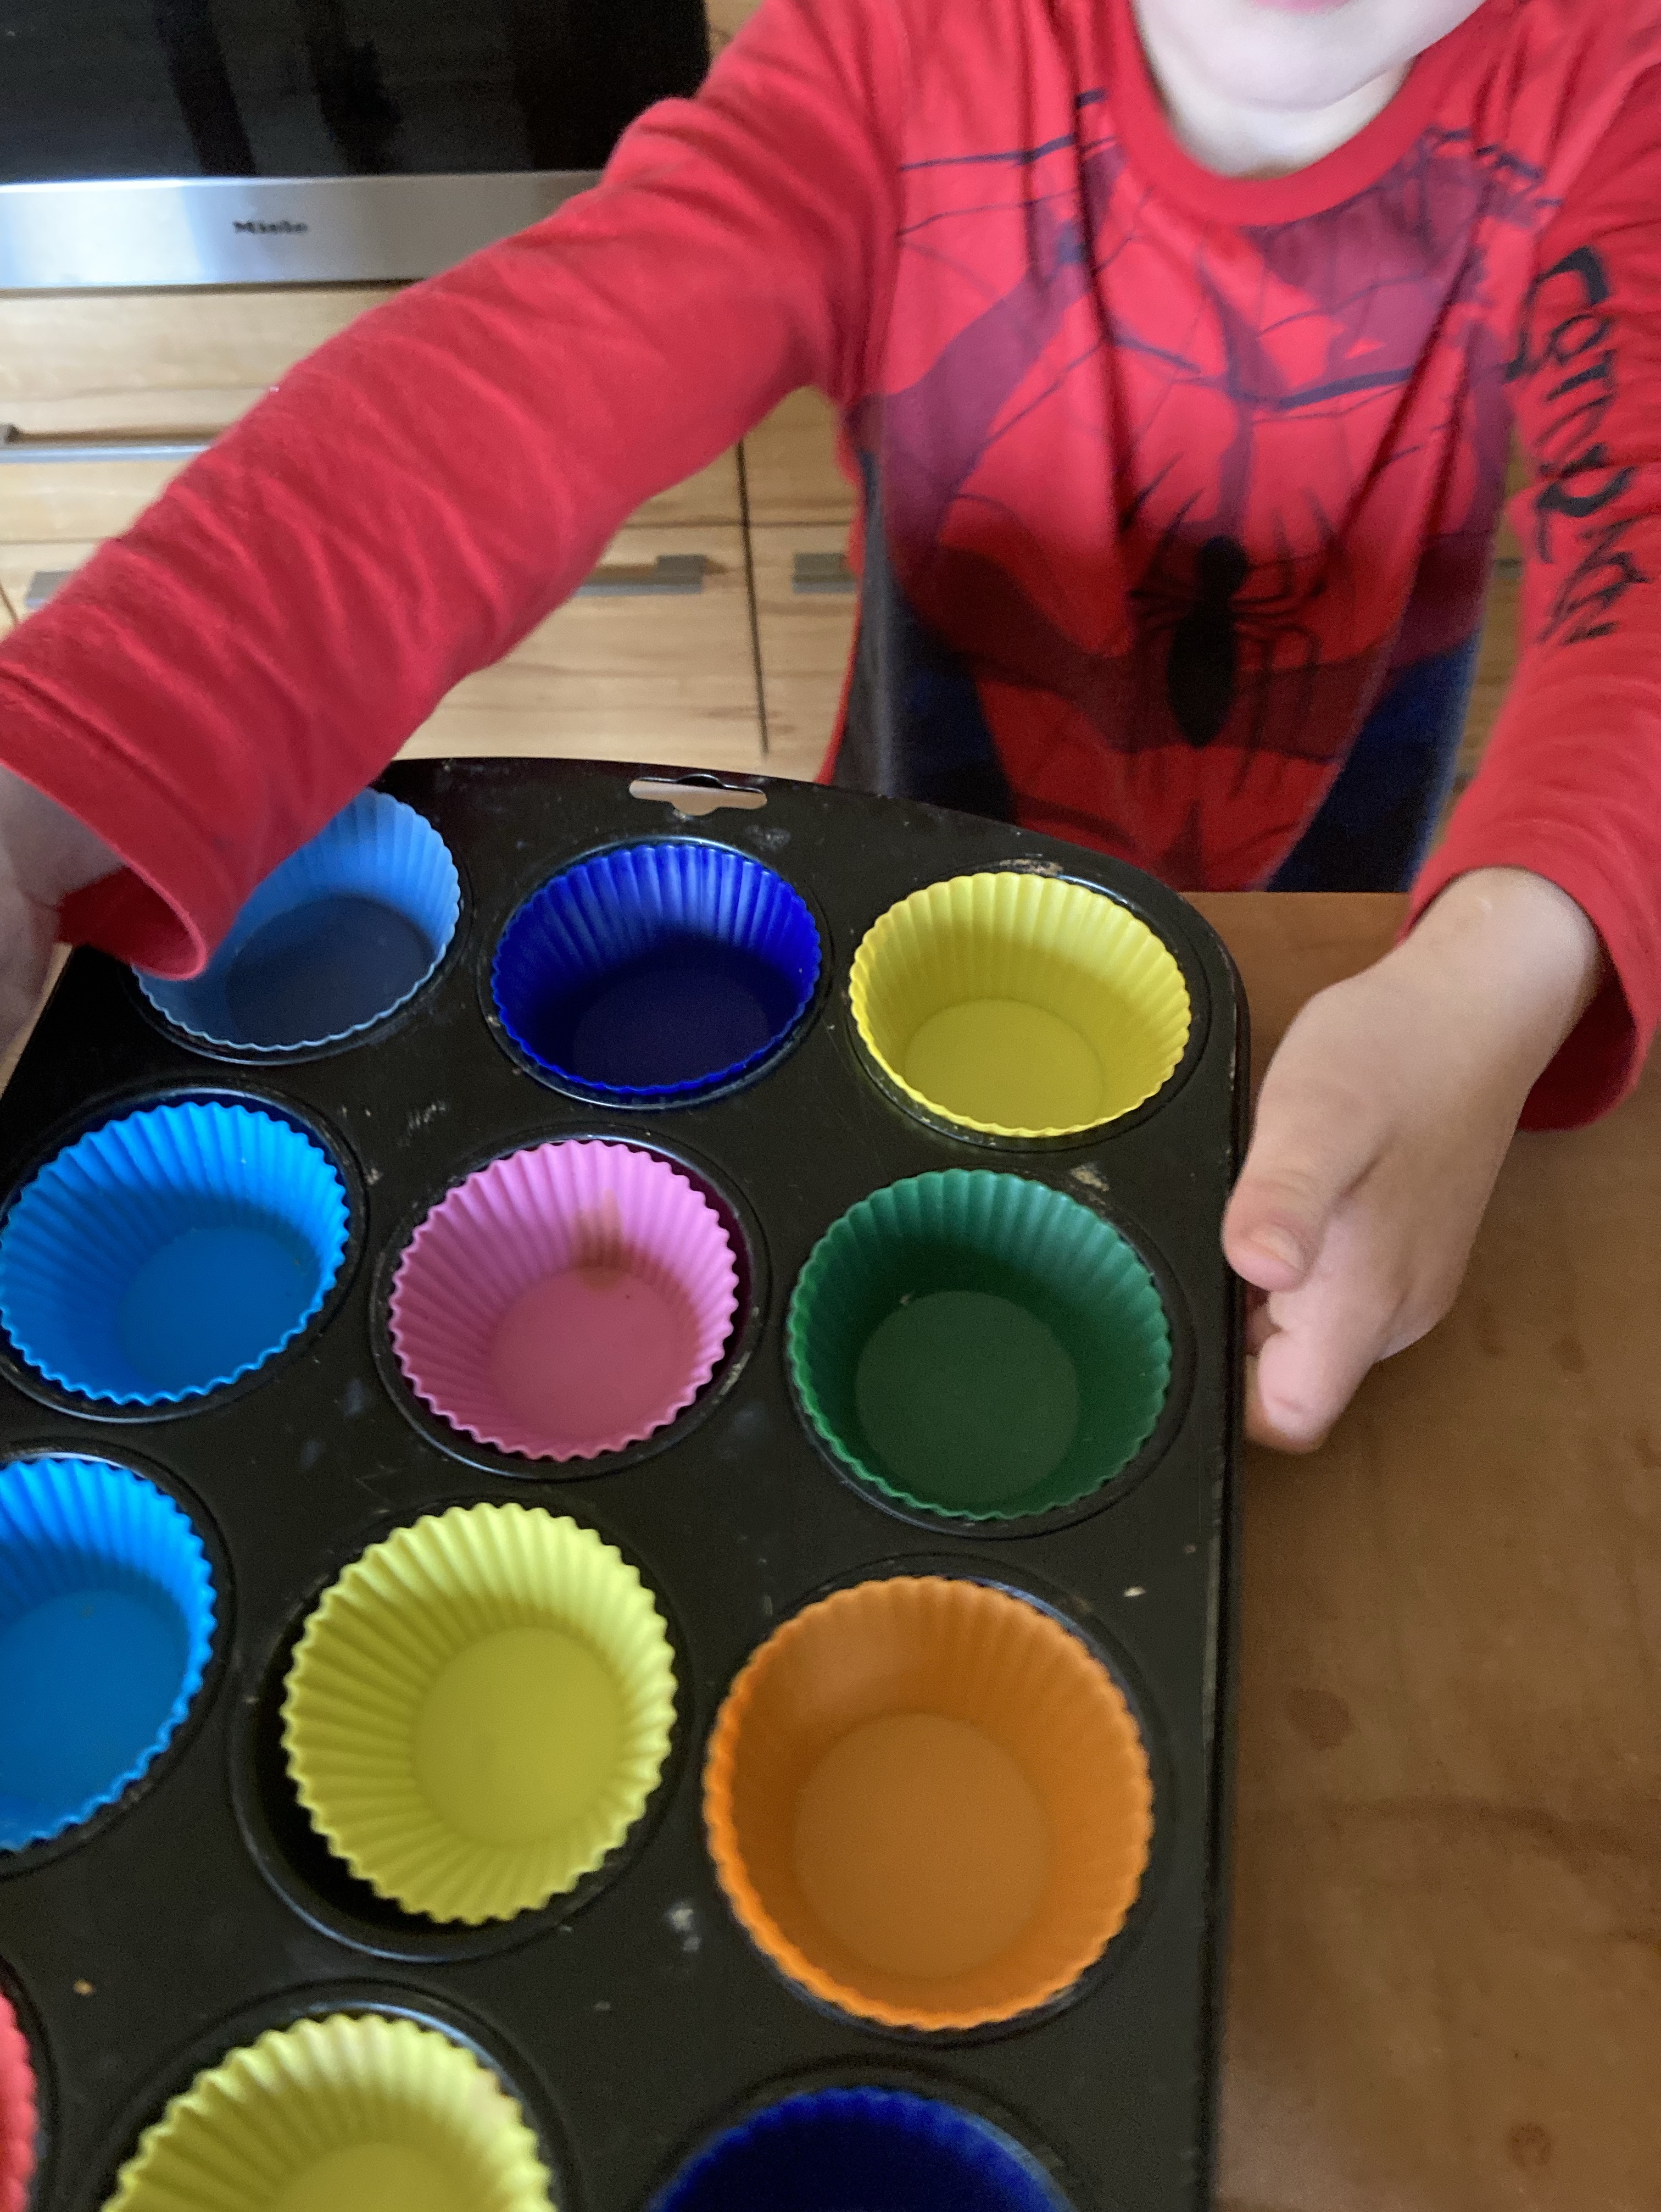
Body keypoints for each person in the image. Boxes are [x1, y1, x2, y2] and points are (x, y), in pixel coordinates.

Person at [0, 0, 1656, 1453]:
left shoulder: (1612, 82)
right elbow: (467, 434)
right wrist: (40, 785)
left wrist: (1497, 984)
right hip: (915, 895)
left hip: (1317, 942)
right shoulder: (889, 57)